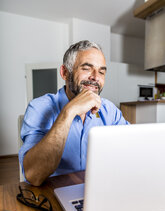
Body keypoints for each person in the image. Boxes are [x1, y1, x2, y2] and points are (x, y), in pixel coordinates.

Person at [19, 40, 129, 186]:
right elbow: (34, 175)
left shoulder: (110, 110)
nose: (95, 77)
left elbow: (130, 150)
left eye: (101, 72)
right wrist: (69, 112)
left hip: (100, 188)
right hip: (53, 192)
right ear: (65, 73)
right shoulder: (39, 107)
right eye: (86, 68)